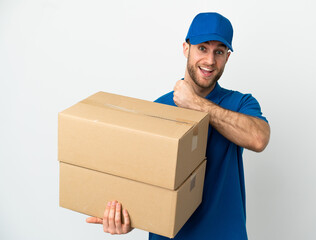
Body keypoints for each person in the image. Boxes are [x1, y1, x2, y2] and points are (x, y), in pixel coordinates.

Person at [86, 12, 270, 240]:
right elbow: (143, 185)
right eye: (202, 48)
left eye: (219, 52)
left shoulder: (240, 103)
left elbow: (259, 138)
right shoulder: (156, 110)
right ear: (186, 48)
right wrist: (125, 217)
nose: (210, 60)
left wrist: (195, 104)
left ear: (227, 57)